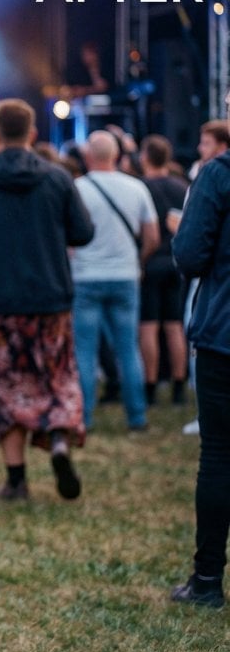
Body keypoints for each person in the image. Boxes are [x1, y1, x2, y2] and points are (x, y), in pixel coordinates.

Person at [0, 100, 94, 503]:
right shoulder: (58, 179)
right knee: (54, 377)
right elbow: (83, 233)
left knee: (4, 386)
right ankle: (59, 445)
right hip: (50, 298)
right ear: (31, 134)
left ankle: (16, 479)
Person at [171, 112, 230, 609]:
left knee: (219, 455)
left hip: (224, 333)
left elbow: (189, 256)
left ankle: (208, 582)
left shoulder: (218, 174)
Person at [71, 130, 160, 432]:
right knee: (127, 348)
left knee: (84, 350)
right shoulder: (136, 188)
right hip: (125, 275)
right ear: (117, 156)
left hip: (85, 277)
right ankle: (137, 416)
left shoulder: (78, 189)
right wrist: (138, 261)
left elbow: (67, 238)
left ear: (88, 157)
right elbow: (152, 237)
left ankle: (84, 419)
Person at [137, 135, 188, 405]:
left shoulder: (140, 187)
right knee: (174, 326)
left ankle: (151, 386)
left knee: (148, 327)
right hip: (175, 262)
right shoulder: (181, 187)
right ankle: (179, 387)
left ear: (146, 156)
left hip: (149, 262)